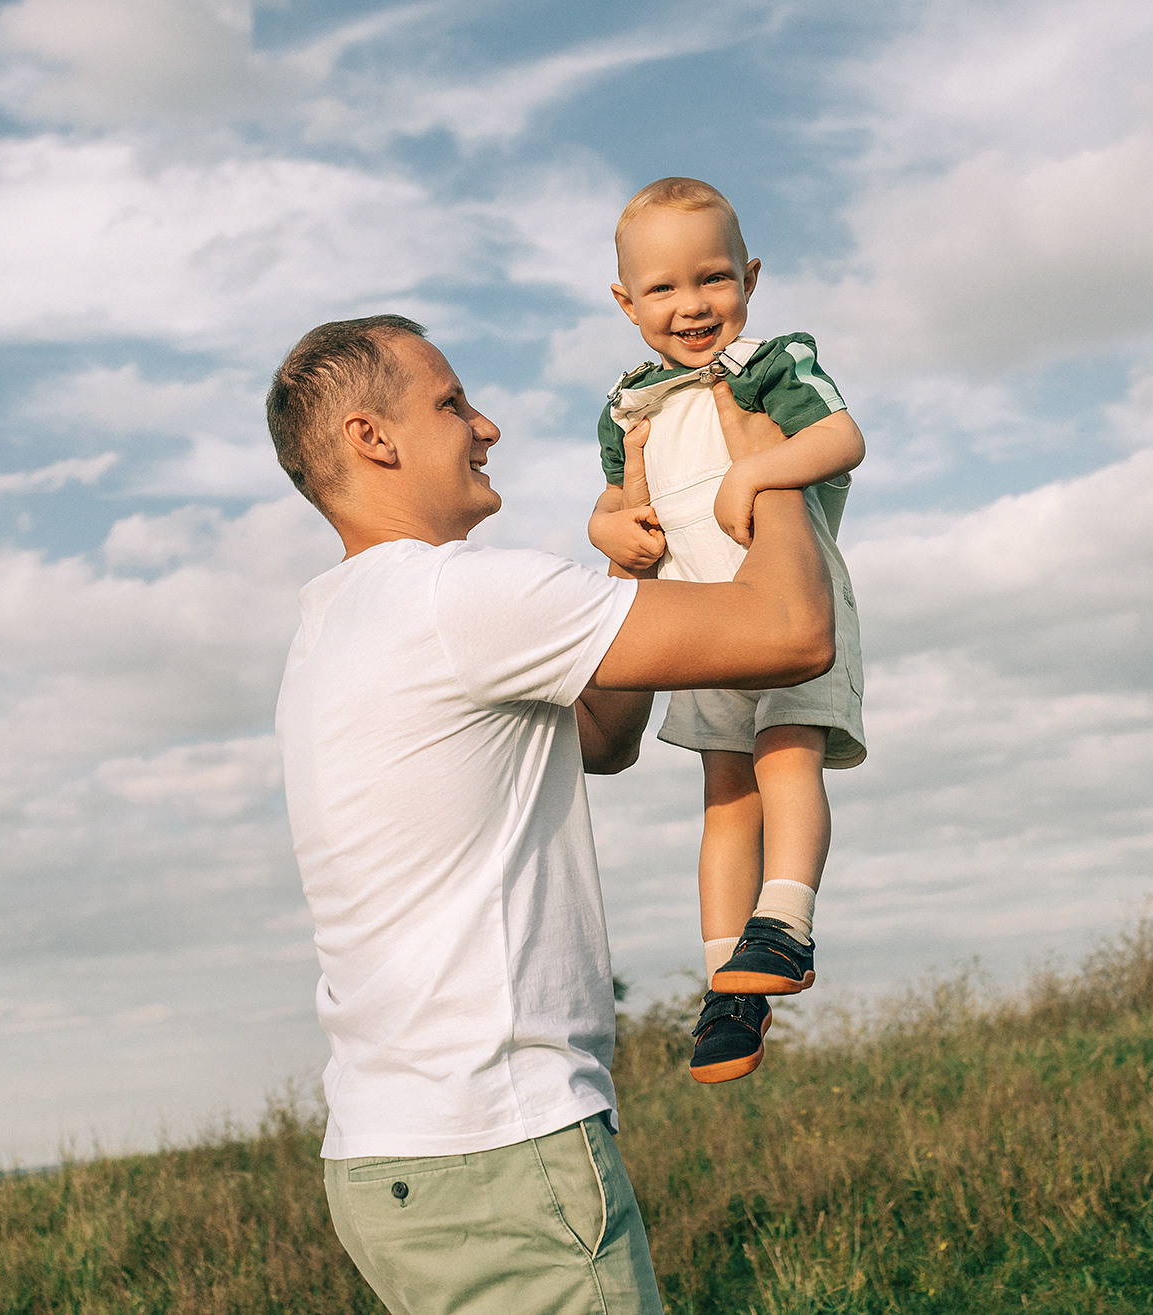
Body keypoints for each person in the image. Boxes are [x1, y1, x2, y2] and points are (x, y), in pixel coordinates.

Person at [265, 313, 834, 1315]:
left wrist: (637, 555)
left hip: (390, 1162)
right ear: (372, 437)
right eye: (449, 403)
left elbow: (602, 738)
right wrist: (767, 461)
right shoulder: (456, 596)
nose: (484, 426)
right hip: (501, 1149)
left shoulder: (335, 626)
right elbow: (791, 631)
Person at [585, 178, 867, 1084]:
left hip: (788, 603)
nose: (692, 304)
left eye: (712, 278)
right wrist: (606, 527)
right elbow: (612, 498)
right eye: (663, 288)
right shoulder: (630, 400)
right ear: (627, 304)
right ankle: (725, 985)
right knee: (723, 791)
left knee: (787, 754)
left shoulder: (771, 364)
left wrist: (755, 476)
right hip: (700, 623)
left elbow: (841, 437)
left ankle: (784, 921)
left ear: (748, 277)